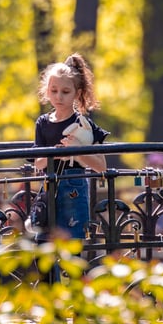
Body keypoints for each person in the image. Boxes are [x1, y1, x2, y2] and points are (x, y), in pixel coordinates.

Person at [32, 53, 109, 239]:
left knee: (72, 244)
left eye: (65, 92)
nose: (59, 97)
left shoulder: (83, 124)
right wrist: (58, 154)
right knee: (43, 244)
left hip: (75, 188)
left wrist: (77, 151)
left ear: (77, 93)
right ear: (47, 91)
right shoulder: (42, 123)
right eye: (54, 91)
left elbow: (101, 166)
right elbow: (38, 163)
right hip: (49, 188)